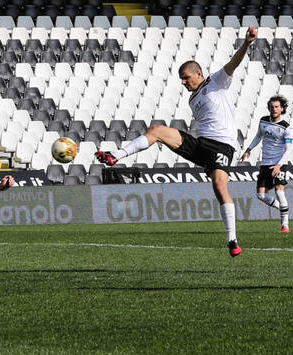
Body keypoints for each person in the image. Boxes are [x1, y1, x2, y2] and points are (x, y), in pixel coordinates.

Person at [96, 26, 258, 257]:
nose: (183, 83)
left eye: (186, 78)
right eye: (181, 79)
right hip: (202, 144)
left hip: (221, 145)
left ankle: (232, 239)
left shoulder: (217, 82)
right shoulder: (193, 99)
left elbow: (234, 62)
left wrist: (247, 43)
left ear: (199, 74)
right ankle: (116, 156)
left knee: (220, 187)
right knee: (157, 130)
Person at [241, 95, 293, 233]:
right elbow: (258, 136)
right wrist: (249, 149)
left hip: (279, 163)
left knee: (279, 193)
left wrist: (279, 165)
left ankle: (285, 226)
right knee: (260, 195)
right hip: (265, 163)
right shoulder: (263, 121)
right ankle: (283, 209)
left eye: (276, 107)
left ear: (282, 109)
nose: (274, 109)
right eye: (271, 107)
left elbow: (288, 149)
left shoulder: (286, 128)